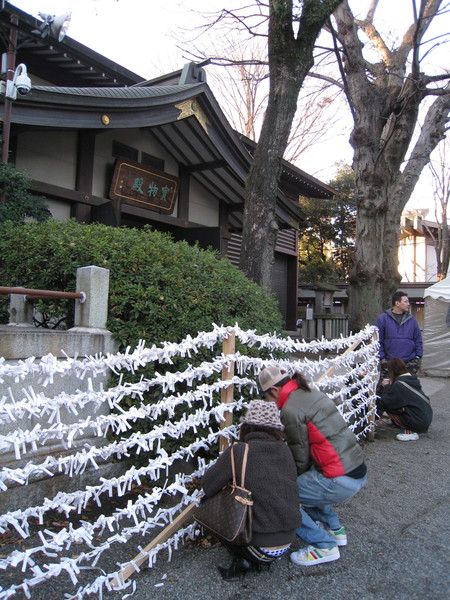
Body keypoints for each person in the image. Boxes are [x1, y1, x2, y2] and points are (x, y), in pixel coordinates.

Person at [258, 366, 367, 567]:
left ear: (273, 390)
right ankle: (334, 529)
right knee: (309, 483)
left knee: (282, 497)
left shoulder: (290, 410)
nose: (269, 404)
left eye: (267, 398)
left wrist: (281, 479)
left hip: (338, 478)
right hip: (356, 469)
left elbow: (301, 459)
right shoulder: (310, 392)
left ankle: (323, 545)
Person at [201, 399, 301, 580]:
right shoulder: (285, 450)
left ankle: (242, 557)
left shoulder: (239, 450)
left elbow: (208, 486)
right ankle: (258, 556)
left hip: (258, 548)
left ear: (247, 426)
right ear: (276, 428)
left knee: (206, 502)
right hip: (287, 542)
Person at [376, 291, 423, 404]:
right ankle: (376, 415)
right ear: (397, 303)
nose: (408, 304)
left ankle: (407, 414)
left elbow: (418, 339)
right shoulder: (383, 319)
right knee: (383, 389)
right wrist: (382, 358)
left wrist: (418, 356)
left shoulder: (412, 320)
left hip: (409, 361)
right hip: (389, 361)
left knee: (408, 389)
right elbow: (378, 340)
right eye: (405, 301)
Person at [380, 357, 432, 441]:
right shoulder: (410, 380)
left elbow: (386, 401)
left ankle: (408, 430)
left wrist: (386, 387)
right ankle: (406, 425)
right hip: (424, 418)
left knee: (389, 405)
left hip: (418, 422)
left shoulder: (399, 384)